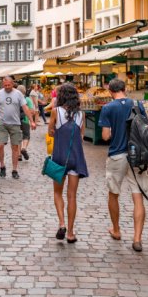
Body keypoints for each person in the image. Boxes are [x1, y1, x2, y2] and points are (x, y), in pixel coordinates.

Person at [100, 78, 148, 252]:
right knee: (137, 196)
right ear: (125, 89)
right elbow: (145, 126)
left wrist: (114, 131)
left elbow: (105, 136)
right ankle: (137, 239)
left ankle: (117, 230)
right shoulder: (137, 104)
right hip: (137, 154)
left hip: (117, 155)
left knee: (114, 193)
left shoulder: (108, 108)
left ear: (110, 91)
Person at [48, 83, 89, 243]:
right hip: (76, 159)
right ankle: (71, 233)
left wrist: (55, 130)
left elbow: (51, 132)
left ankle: (62, 223)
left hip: (59, 157)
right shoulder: (81, 115)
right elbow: (81, 136)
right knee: (72, 196)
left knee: (58, 192)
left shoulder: (55, 112)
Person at [0, 76, 34, 179]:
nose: (7, 87)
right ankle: (2, 166)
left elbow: (25, 107)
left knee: (15, 147)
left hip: (15, 123)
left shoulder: (18, 94)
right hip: (2, 124)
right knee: (0, 145)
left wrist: (32, 121)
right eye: (5, 85)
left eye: (9, 85)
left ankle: (14, 170)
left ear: (12, 83)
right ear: (2, 85)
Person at [17, 84, 34, 161]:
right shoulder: (28, 99)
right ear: (24, 91)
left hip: (16, 121)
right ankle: (23, 148)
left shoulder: (15, 99)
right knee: (26, 135)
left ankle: (19, 155)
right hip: (25, 120)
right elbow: (31, 111)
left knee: (17, 138)